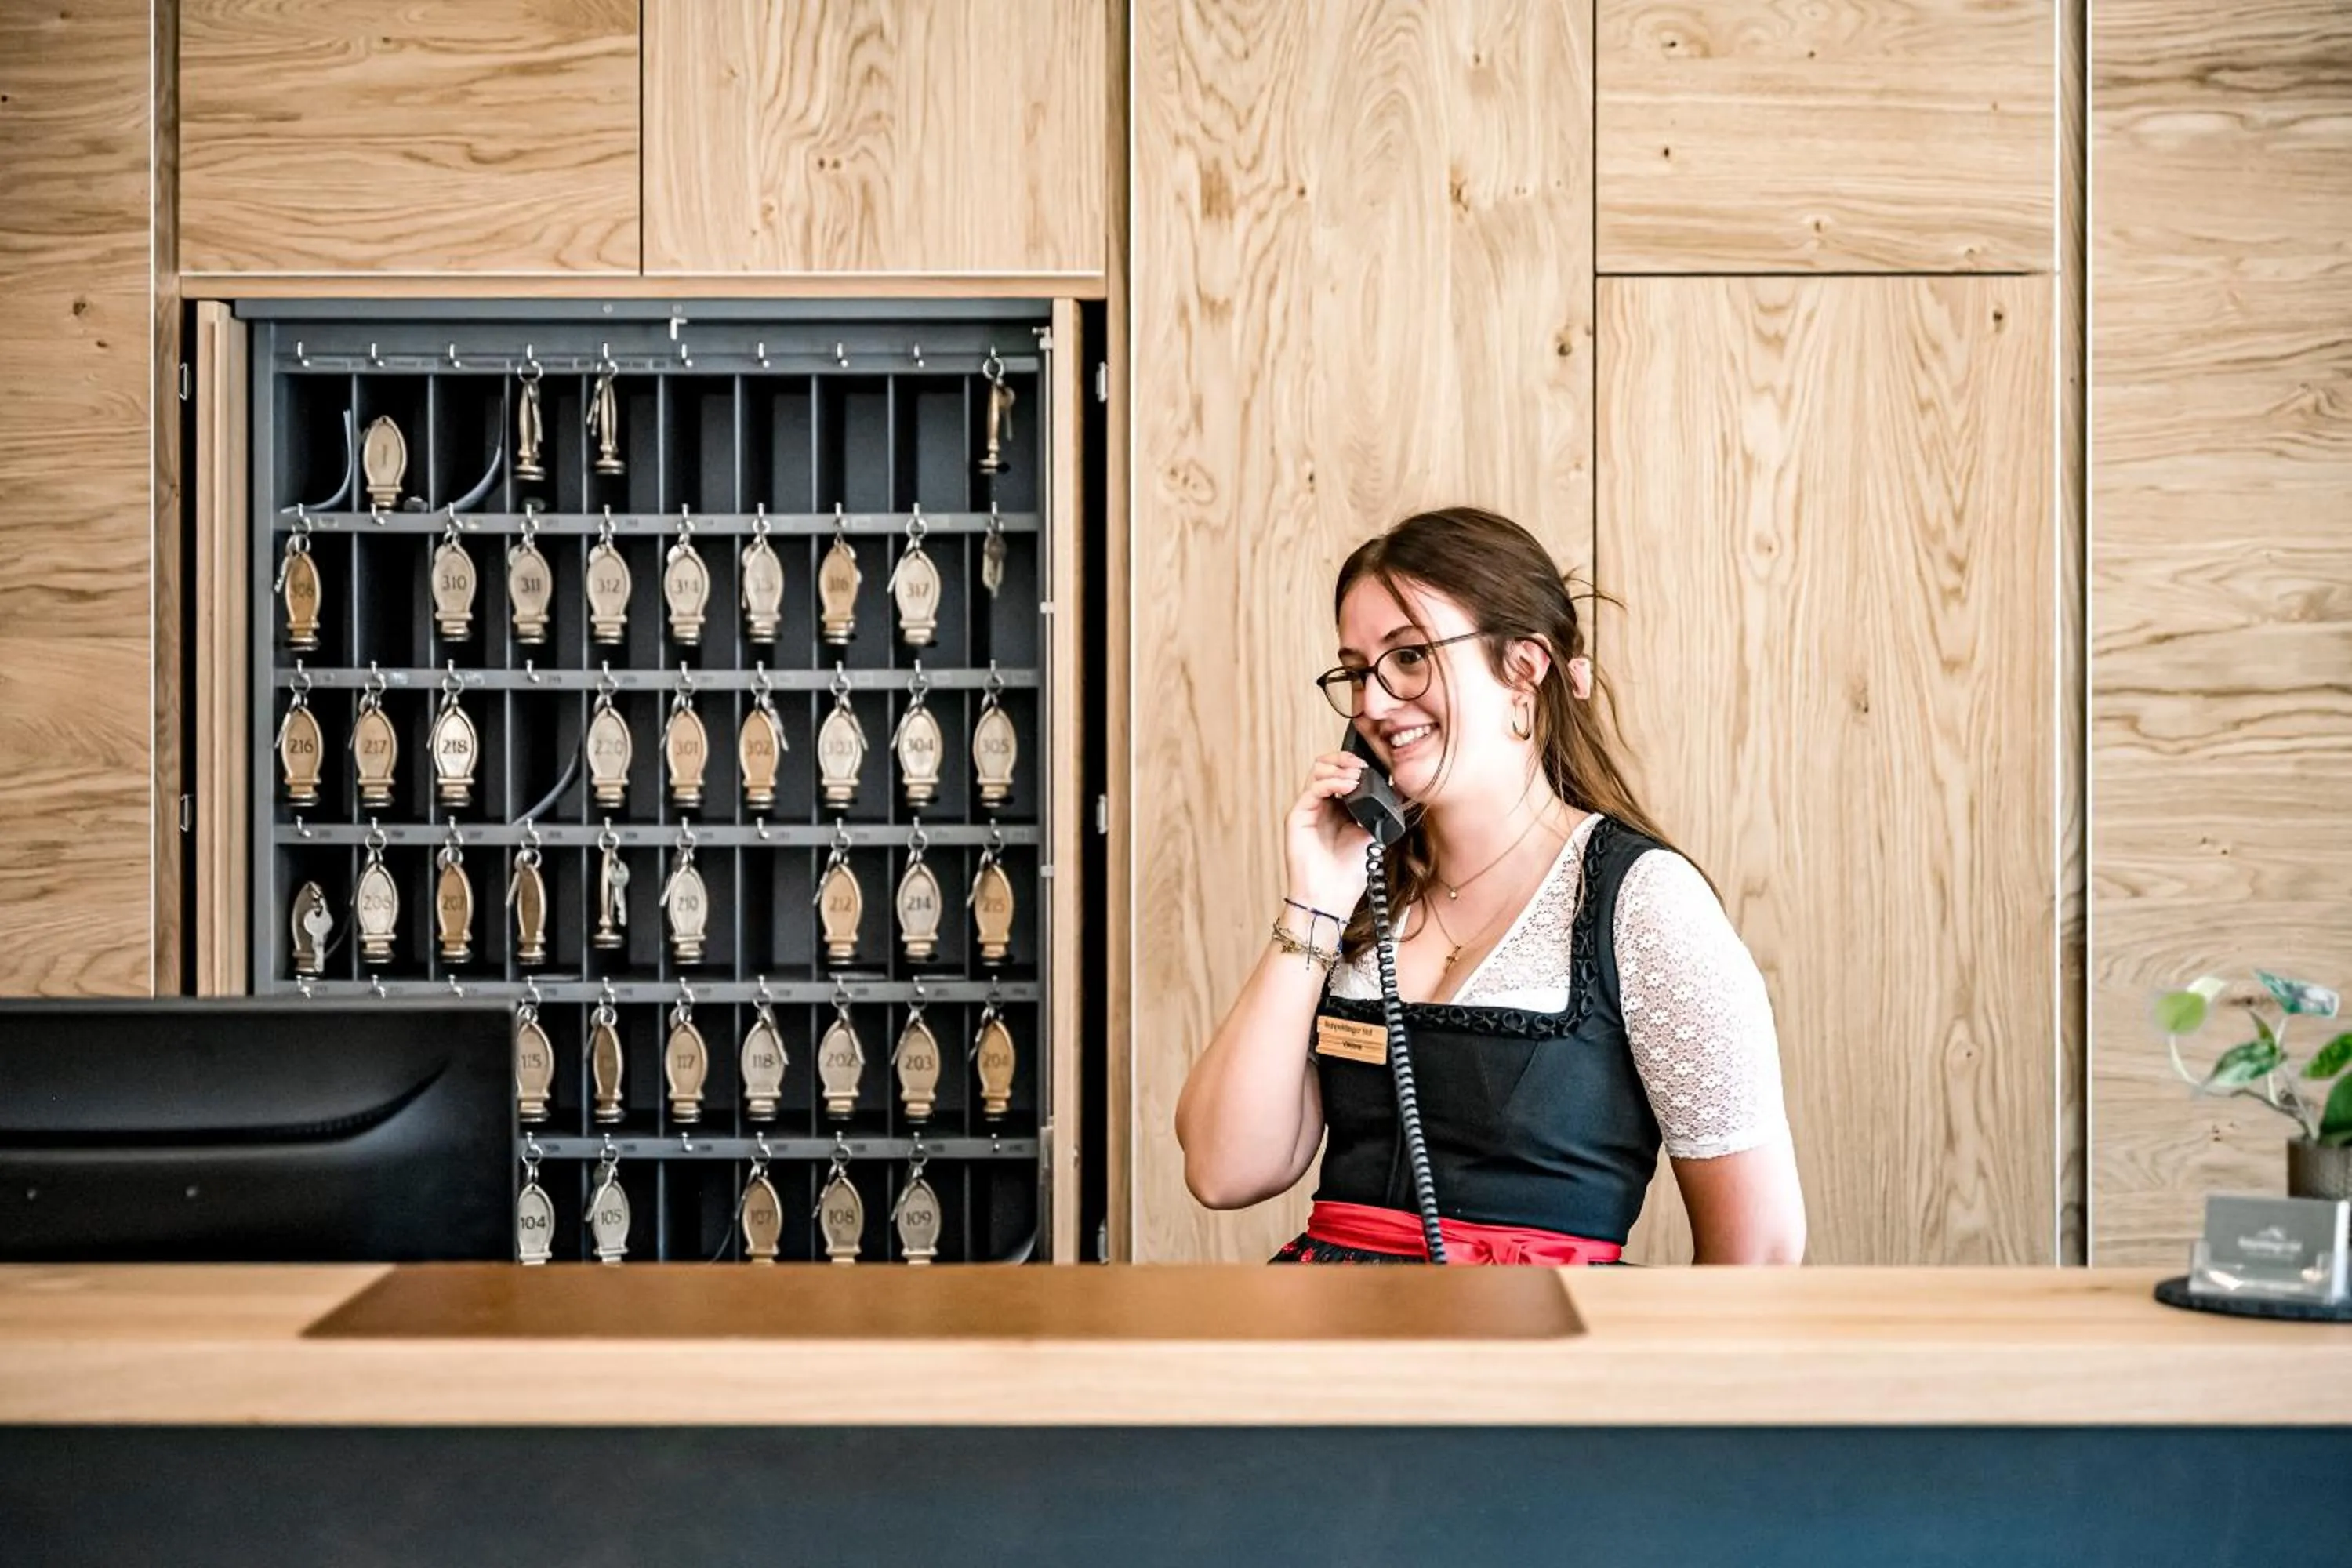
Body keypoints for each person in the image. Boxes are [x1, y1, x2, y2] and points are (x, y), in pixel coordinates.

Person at [1174, 507, 1806, 1265]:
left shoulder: (1641, 903)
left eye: (1408, 659)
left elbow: (1759, 1251)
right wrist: (1312, 902)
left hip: (1534, 1362)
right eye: (1355, 671)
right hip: (1330, 1356)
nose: (1373, 704)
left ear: (1524, 669)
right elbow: (1221, 1168)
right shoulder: (1364, 898)